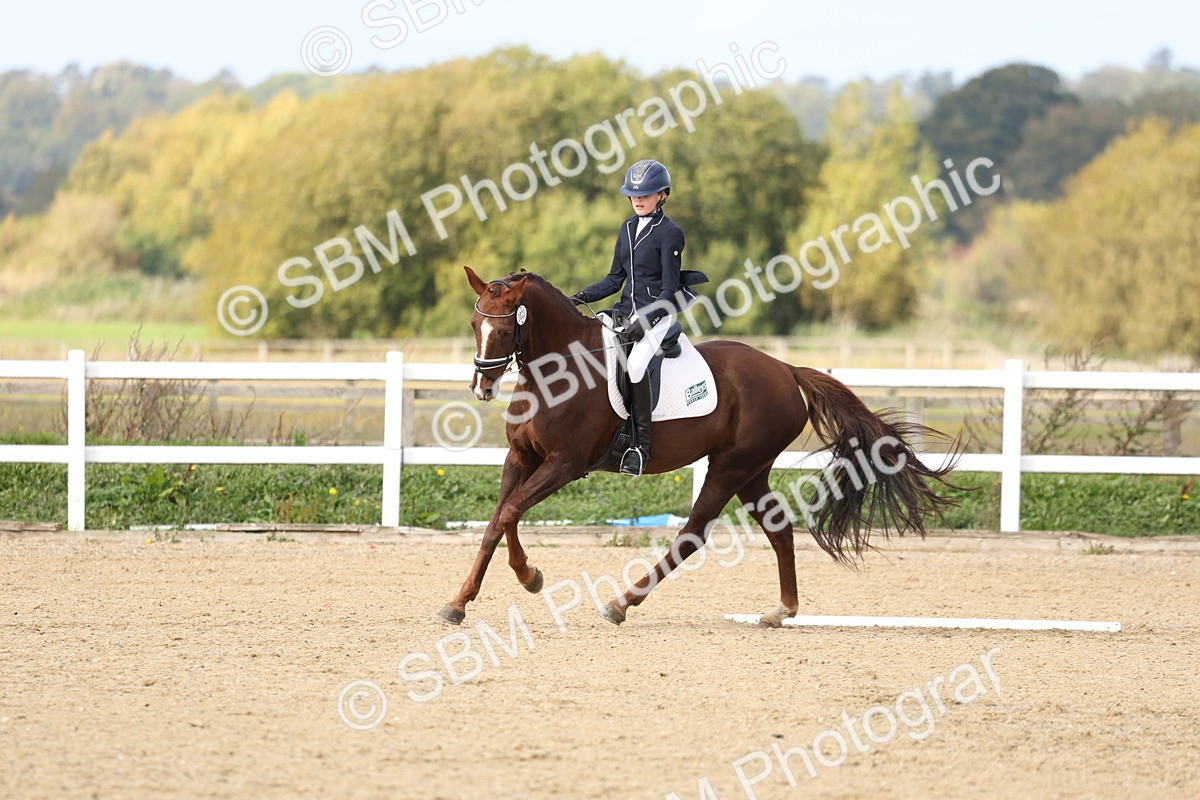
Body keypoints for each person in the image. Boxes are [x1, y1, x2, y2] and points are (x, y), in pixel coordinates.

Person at [571, 159, 705, 476]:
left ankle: (640, 447)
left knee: (634, 366)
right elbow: (614, 279)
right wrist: (579, 296)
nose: (638, 199)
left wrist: (646, 321)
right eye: (633, 195)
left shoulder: (670, 233)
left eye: (645, 194)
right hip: (624, 313)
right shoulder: (627, 228)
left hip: (657, 313)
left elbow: (669, 289)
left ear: (662, 195)